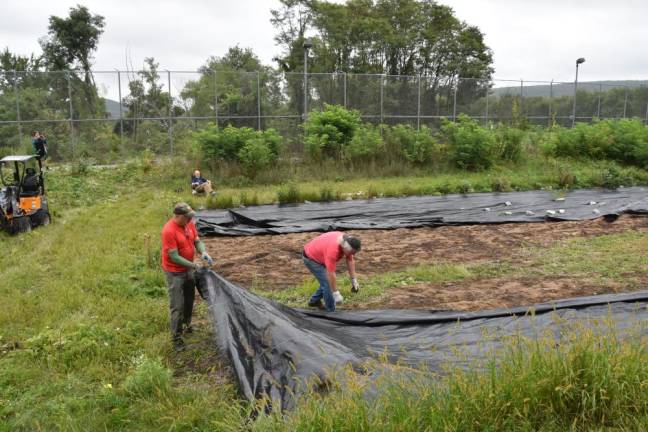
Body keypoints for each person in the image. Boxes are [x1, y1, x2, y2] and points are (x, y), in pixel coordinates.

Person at [161, 202, 214, 351]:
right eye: (187, 217)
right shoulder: (168, 231)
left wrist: (203, 252)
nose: (190, 220)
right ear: (177, 216)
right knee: (177, 305)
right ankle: (176, 338)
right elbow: (174, 257)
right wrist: (193, 265)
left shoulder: (189, 224)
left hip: (188, 269)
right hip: (175, 272)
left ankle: (186, 325)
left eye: (191, 217)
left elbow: (197, 241)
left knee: (189, 299)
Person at [302, 231, 361, 312]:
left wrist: (354, 280)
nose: (353, 254)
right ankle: (330, 311)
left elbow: (350, 261)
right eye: (352, 252)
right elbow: (331, 274)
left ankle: (314, 301)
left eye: (354, 253)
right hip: (311, 258)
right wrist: (336, 293)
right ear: (345, 247)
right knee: (328, 284)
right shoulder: (333, 251)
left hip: (321, 253)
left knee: (326, 282)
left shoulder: (346, 242)